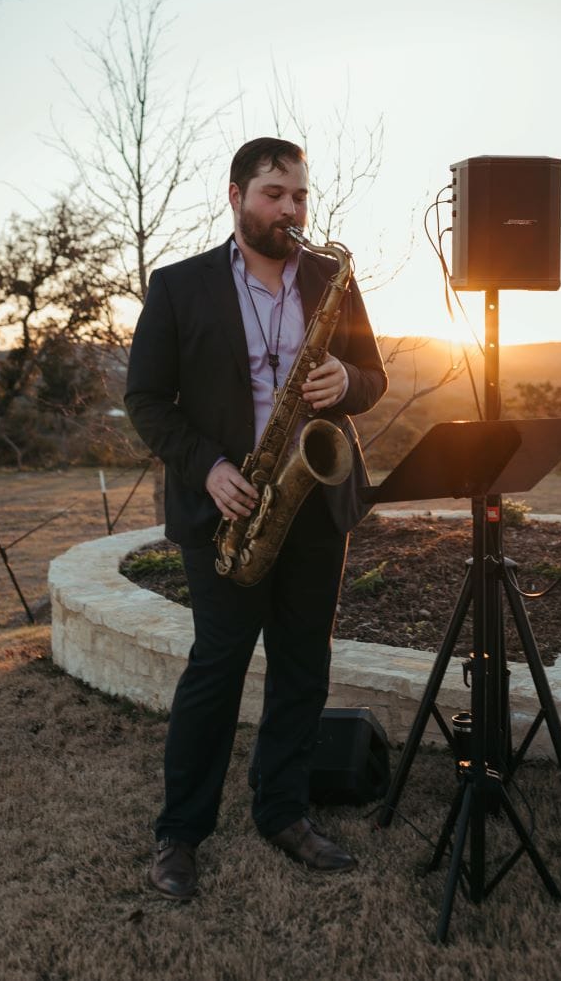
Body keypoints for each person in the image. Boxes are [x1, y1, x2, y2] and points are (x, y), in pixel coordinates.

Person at [125, 137, 388, 900]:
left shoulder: (331, 276)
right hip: (232, 503)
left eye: (300, 196)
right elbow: (146, 400)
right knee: (217, 671)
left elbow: (374, 377)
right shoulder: (178, 286)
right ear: (235, 194)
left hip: (315, 498)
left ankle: (283, 811)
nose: (291, 210)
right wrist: (208, 467)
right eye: (275, 194)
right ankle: (180, 833)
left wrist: (349, 379)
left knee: (304, 666)